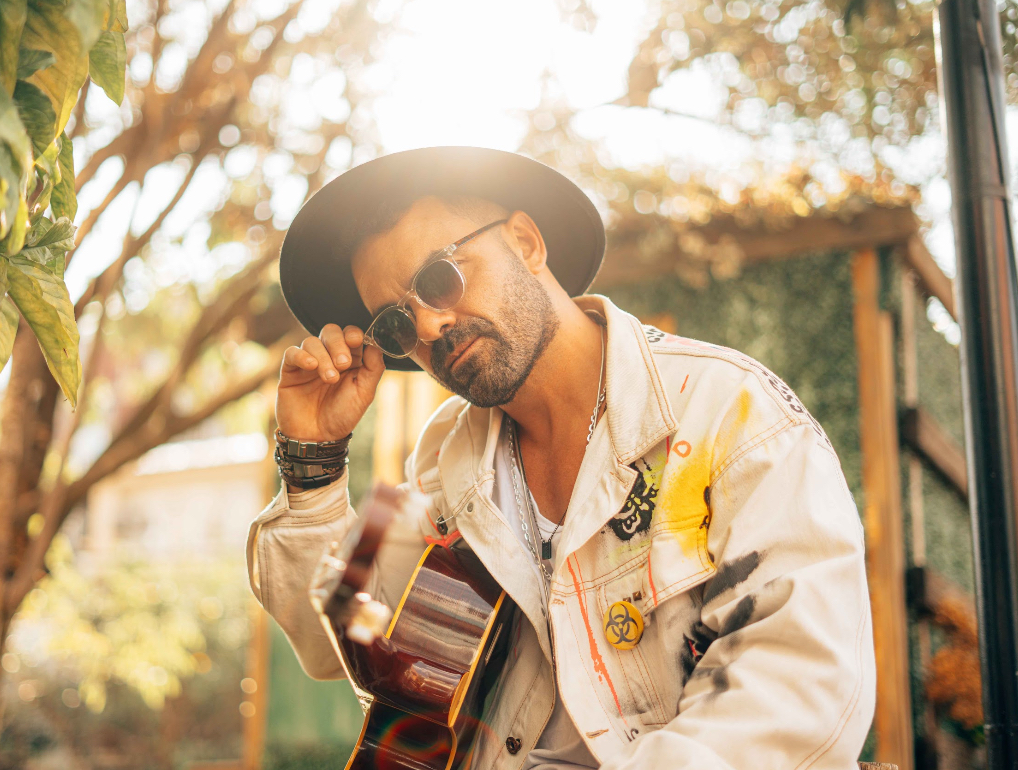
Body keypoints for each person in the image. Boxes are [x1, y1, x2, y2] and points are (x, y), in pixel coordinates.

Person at [247, 146, 875, 769]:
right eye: (396, 324)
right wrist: (313, 460)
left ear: (525, 242)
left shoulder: (729, 413)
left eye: (439, 279)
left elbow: (794, 689)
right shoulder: (442, 462)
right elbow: (339, 646)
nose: (430, 327)